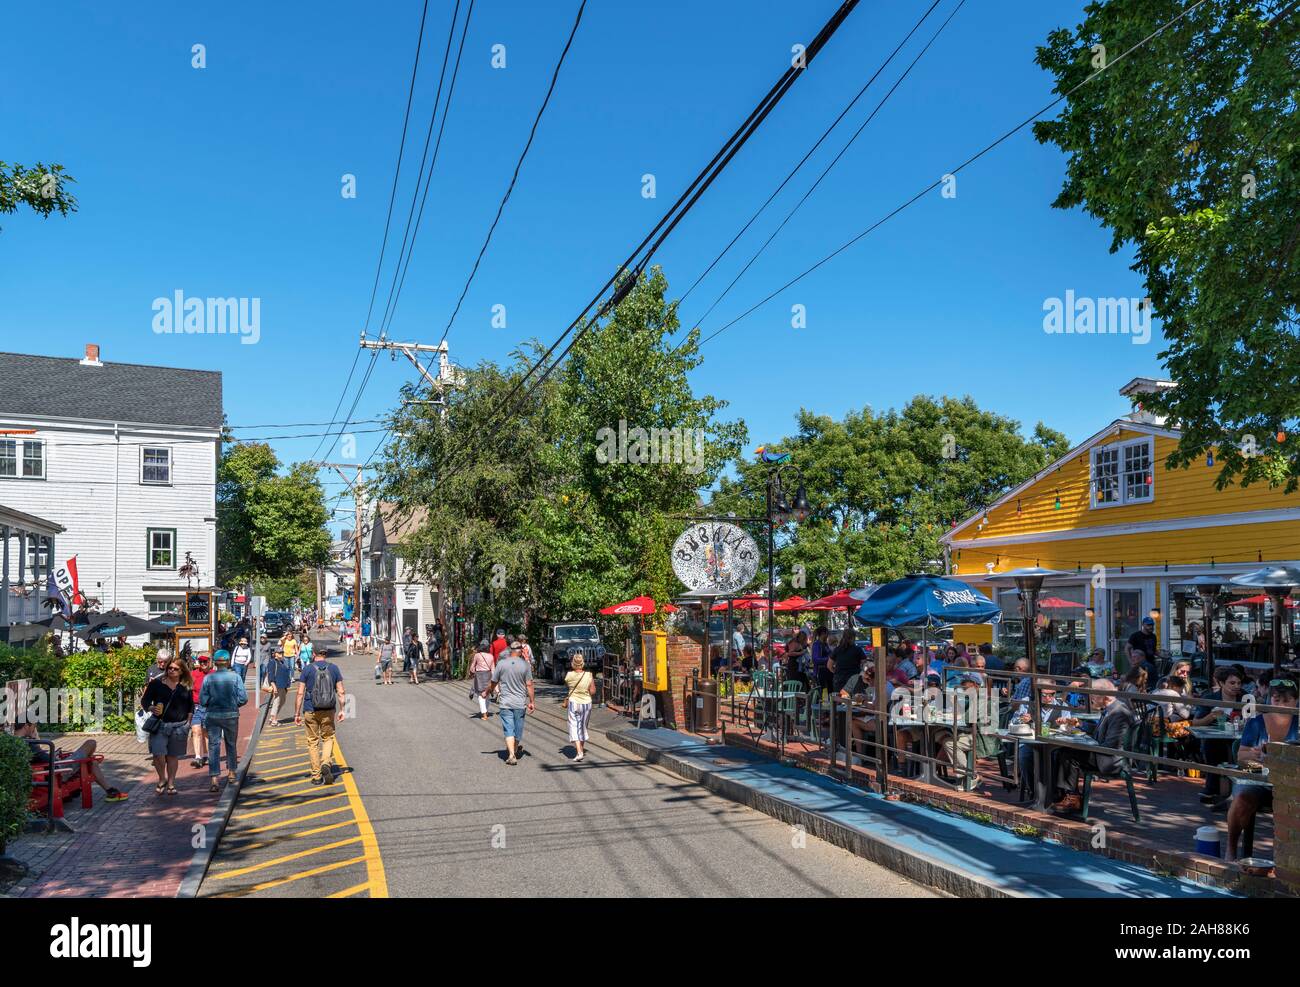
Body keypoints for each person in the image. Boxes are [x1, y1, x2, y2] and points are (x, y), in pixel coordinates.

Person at [1225, 680, 1298, 860]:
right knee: (1242, 798)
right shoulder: (1257, 723)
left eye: (1287, 700)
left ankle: (1289, 857)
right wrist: (1256, 756)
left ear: (1296, 701)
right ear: (1269, 700)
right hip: (1260, 781)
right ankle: (1231, 847)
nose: (1282, 705)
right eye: (1277, 699)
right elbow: (1241, 757)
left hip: (1292, 782)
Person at [1051, 680, 1138, 814]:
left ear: (1106, 696)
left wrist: (1084, 745)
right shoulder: (1111, 709)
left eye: (1094, 695)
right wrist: (1079, 724)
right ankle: (1060, 794)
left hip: (1112, 760)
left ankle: (1072, 797)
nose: (1090, 698)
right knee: (1060, 751)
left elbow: (1111, 745)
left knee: (1067, 754)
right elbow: (1100, 732)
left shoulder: (1118, 713)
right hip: (1105, 754)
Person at [16, 721, 129, 802]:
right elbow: (50, 760)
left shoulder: (14, 742)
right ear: (26, 726)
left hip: (50, 769)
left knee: (92, 761)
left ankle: (109, 790)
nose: (34, 730)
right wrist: (36, 740)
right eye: (34, 727)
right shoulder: (30, 743)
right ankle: (110, 791)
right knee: (91, 743)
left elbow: (42, 758)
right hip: (59, 771)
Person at [140, 656, 195, 795]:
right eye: (169, 668)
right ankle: (162, 778)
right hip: (160, 725)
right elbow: (145, 700)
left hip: (178, 726)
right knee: (158, 754)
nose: (171, 670)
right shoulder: (157, 683)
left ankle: (170, 783)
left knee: (172, 756)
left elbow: (190, 705)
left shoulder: (185, 686)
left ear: (182, 671)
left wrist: (188, 722)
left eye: (175, 669)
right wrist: (151, 708)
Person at [294, 645, 346, 786]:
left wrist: (297, 713)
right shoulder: (334, 668)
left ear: (313, 653)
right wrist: (342, 709)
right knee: (328, 737)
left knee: (313, 741)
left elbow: (300, 693)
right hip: (329, 709)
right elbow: (341, 691)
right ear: (326, 653)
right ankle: (326, 763)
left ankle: (316, 776)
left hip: (310, 708)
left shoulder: (308, 669)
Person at [200, 651, 247, 793]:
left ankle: (214, 779)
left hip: (213, 715)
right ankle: (232, 772)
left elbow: (202, 700)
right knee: (231, 744)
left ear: (215, 662)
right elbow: (243, 698)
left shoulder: (208, 678)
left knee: (214, 746)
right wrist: (234, 704)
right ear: (227, 662)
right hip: (230, 715)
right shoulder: (236, 677)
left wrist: (210, 703)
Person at [485, 640, 535, 766]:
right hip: (519, 703)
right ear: (521, 651)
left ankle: (512, 754)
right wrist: (532, 701)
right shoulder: (525, 665)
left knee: (508, 729)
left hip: (505, 703)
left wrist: (488, 691)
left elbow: (493, 682)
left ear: (510, 650)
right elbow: (529, 685)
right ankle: (514, 751)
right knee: (518, 730)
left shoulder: (502, 664)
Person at [563, 651, 597, 761]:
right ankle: (581, 749)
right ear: (582, 663)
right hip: (587, 703)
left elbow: (569, 686)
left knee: (573, 726)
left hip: (574, 703)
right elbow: (592, 691)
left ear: (573, 663)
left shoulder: (569, 675)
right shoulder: (589, 675)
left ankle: (579, 751)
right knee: (582, 727)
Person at [188, 653, 212, 768]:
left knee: (206, 732)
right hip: (196, 707)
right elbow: (187, 688)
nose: (202, 664)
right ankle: (197, 757)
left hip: (209, 707)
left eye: (205, 662)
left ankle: (207, 755)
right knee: (196, 731)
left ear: (210, 662)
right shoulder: (194, 674)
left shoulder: (214, 675)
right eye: (201, 662)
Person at [828, 629, 867, 694]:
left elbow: (829, 666)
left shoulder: (837, 649)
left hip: (839, 679)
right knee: (853, 701)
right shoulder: (857, 649)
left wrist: (836, 672)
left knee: (839, 700)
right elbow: (864, 664)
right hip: (854, 679)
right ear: (853, 638)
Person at [262, 646, 292, 725]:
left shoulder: (282, 662)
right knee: (277, 701)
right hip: (277, 685)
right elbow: (271, 674)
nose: (281, 654)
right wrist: (273, 685)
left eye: (282, 652)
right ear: (275, 654)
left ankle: (272, 717)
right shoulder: (272, 662)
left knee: (282, 701)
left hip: (283, 685)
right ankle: (274, 720)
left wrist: (286, 686)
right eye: (279, 653)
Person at [469, 639, 494, 718]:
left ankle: (484, 713)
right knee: (487, 694)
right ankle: (485, 710)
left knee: (480, 694)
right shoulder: (491, 656)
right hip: (488, 675)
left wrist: (472, 671)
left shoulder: (477, 655)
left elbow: (472, 666)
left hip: (479, 675)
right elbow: (493, 669)